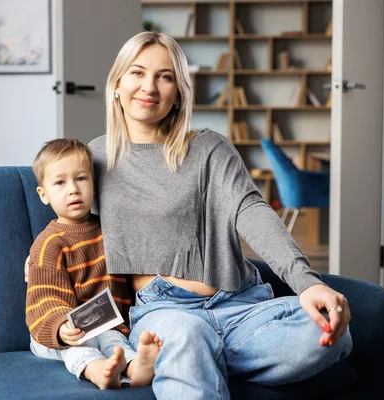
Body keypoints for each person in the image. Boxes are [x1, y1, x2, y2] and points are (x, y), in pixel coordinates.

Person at [85, 31, 353, 399]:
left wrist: (309, 283)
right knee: (186, 336)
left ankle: (192, 361)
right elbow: (67, 219)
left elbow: (253, 211)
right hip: (166, 311)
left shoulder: (209, 148)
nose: (149, 86)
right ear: (116, 84)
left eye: (165, 77)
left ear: (179, 92)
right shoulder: (95, 158)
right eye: (137, 72)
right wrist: (39, 257)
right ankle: (190, 353)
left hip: (242, 306)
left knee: (326, 330)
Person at [25, 138, 162, 390]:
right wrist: (61, 327)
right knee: (79, 346)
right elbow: (45, 297)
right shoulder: (49, 244)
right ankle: (96, 371)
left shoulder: (110, 231)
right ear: (44, 195)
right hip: (54, 334)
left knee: (113, 339)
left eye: (81, 179)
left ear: (95, 184)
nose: (73, 190)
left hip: (105, 325)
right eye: (60, 183)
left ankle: (133, 367)